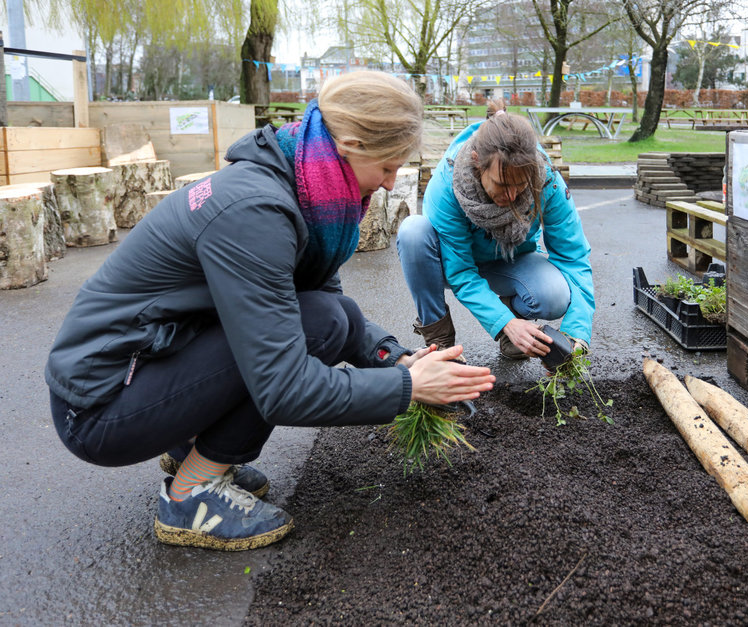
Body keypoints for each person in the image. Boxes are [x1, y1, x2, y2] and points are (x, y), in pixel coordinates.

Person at [45, 71, 495, 551]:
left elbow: (329, 307)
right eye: (387, 168)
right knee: (316, 327)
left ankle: (190, 447)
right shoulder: (255, 212)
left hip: (149, 365)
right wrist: (409, 388)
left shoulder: (300, 176)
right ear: (350, 144)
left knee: (326, 316)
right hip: (100, 407)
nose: (388, 185)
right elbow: (284, 387)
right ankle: (191, 495)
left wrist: (395, 359)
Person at [396, 100, 594, 361]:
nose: (512, 196)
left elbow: (573, 256)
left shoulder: (546, 180)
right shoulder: (448, 185)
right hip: (451, 263)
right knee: (413, 231)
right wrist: (504, 323)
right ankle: (440, 344)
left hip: (509, 260)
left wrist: (576, 333)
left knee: (554, 295)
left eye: (520, 186)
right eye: (502, 184)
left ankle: (513, 324)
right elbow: (461, 272)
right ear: (478, 163)